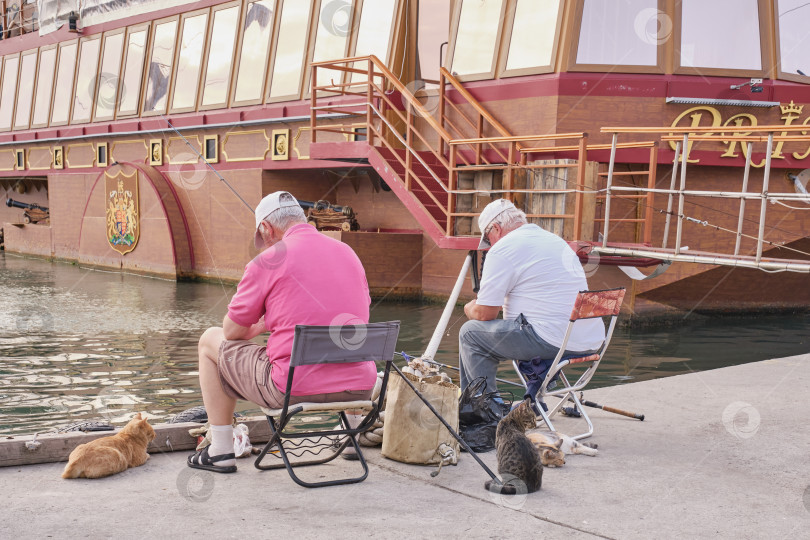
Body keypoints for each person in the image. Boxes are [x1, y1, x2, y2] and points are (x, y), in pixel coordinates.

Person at [188, 191, 376, 473]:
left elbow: (232, 332)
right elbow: (360, 313)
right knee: (342, 336)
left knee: (208, 341)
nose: (262, 247)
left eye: (262, 239)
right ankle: (349, 438)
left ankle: (221, 450)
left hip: (291, 389)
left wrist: (262, 324)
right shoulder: (348, 253)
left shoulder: (267, 261)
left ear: (266, 228)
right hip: (359, 388)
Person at [458, 198, 606, 405]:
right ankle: (531, 404)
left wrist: (469, 307)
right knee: (511, 328)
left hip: (551, 340)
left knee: (470, 333)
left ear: (497, 229)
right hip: (590, 340)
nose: (489, 245)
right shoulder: (555, 240)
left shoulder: (502, 249)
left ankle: (485, 412)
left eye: (488, 239)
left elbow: (485, 314)